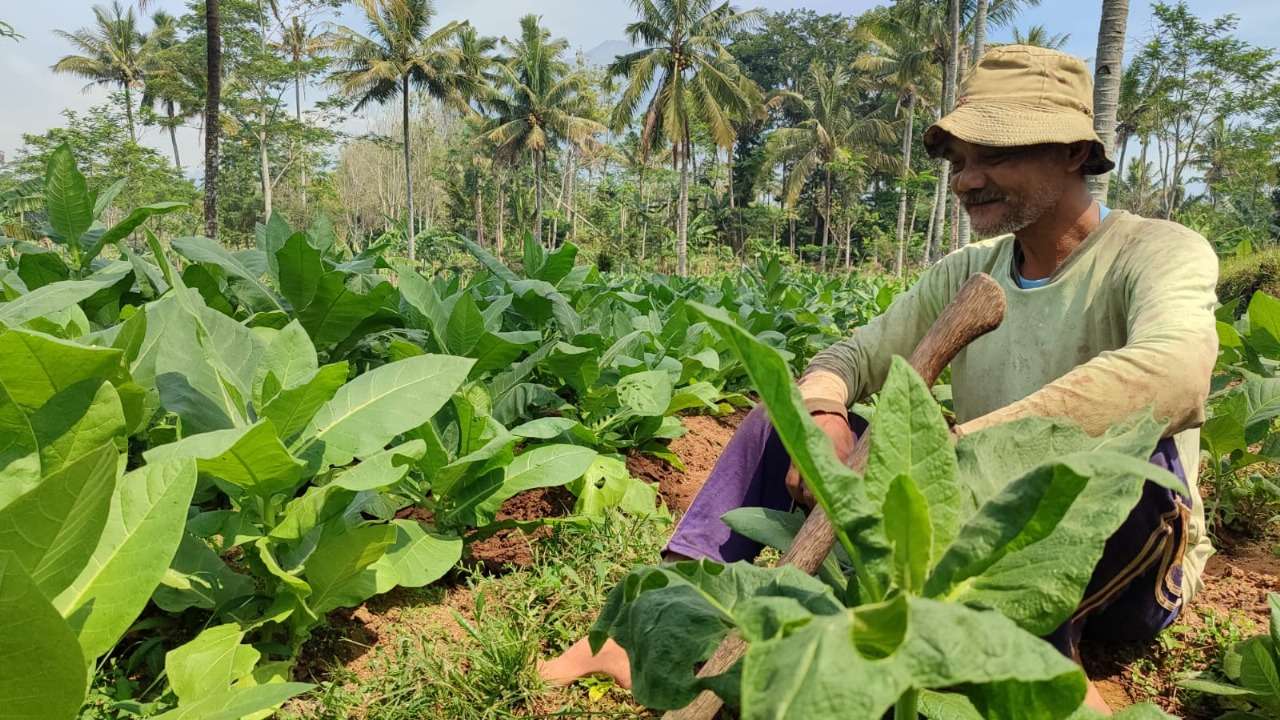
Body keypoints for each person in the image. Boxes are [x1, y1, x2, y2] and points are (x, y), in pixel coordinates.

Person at [539, 45, 1218, 715]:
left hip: (1133, 557)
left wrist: (958, 457)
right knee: (783, 418)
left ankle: (1049, 680)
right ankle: (668, 620)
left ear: (1074, 152)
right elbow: (849, 358)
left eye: (996, 155)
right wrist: (826, 418)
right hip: (973, 526)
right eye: (960, 160)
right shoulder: (968, 270)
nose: (966, 179)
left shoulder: (1153, 251)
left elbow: (1177, 375)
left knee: (1131, 450)